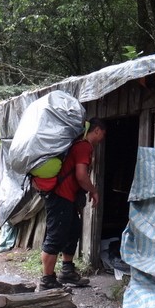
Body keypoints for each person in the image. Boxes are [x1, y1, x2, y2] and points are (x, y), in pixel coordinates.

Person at [37, 117, 107, 290]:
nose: (102, 139)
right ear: (97, 130)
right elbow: (81, 175)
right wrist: (94, 190)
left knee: (73, 230)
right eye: (102, 135)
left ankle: (67, 271)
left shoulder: (78, 145)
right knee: (55, 237)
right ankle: (47, 280)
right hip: (60, 196)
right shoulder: (83, 146)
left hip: (67, 198)